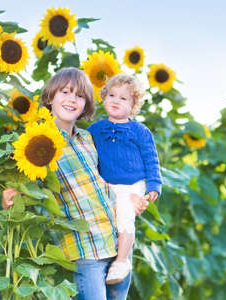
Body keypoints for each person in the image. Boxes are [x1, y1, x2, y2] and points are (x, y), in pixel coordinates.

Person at [1, 67, 149, 300]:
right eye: (65, 92)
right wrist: (12, 197)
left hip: (115, 243)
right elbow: (25, 188)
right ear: (50, 97)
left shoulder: (88, 139)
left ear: (86, 104)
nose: (72, 99)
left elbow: (105, 181)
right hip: (83, 250)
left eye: (80, 96)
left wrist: (131, 197)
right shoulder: (36, 144)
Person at [87, 74, 162, 285]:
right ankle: (103, 254)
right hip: (107, 183)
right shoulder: (96, 129)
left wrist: (154, 185)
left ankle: (121, 261)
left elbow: (151, 160)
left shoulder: (140, 131)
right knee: (105, 216)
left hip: (132, 185)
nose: (115, 100)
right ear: (104, 97)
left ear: (133, 104)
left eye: (123, 98)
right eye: (111, 95)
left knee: (126, 214)